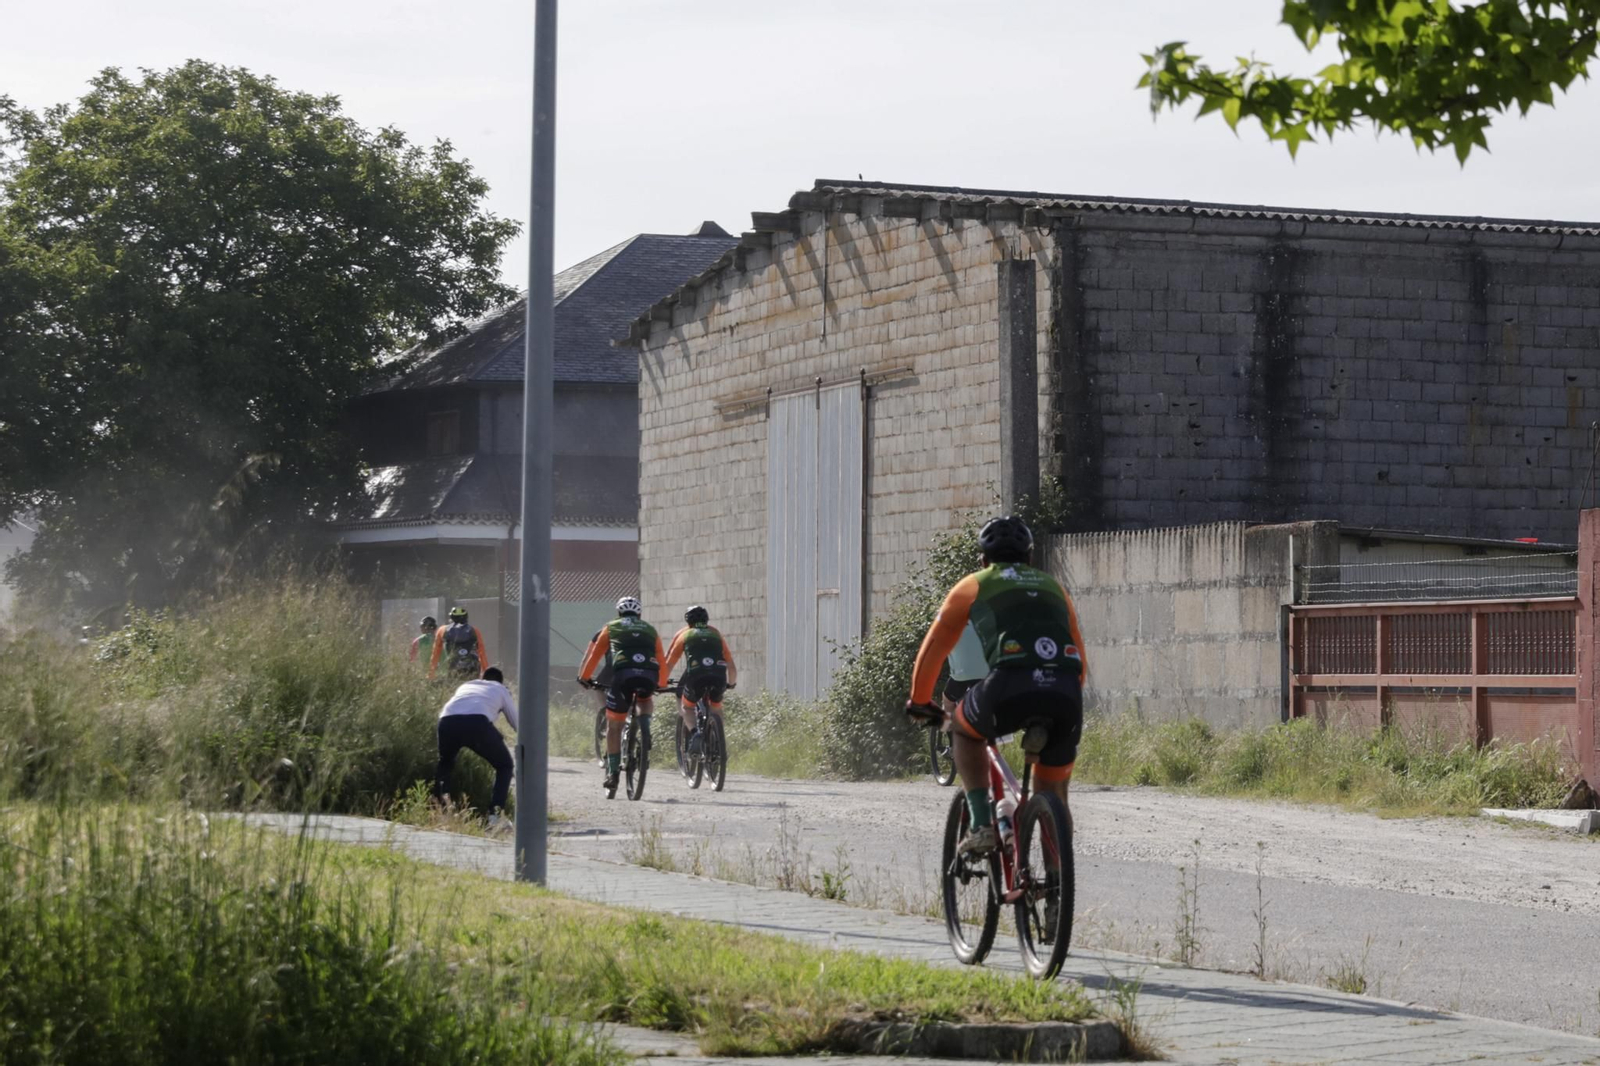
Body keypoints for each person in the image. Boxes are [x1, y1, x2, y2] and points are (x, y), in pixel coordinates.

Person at [905, 515, 1089, 860]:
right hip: (1064, 692)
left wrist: (919, 701)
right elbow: (1079, 656)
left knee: (963, 727)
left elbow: (934, 650)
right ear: (1031, 558)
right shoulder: (1054, 588)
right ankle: (1055, 890)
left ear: (983, 560)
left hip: (1011, 684)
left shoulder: (973, 585)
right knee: (1054, 794)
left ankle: (981, 825)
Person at [577, 596, 664, 793]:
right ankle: (645, 725)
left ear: (618, 613)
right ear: (639, 614)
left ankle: (613, 773)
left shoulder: (609, 627)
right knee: (646, 698)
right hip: (648, 674)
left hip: (620, 674)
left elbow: (593, 654)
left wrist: (584, 677)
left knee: (614, 725)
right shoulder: (650, 629)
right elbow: (661, 658)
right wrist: (662, 683)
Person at [433, 666, 517, 831]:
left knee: (445, 764)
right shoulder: (500, 689)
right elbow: (516, 722)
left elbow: (465, 708)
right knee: (505, 765)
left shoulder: (466, 686)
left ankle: (441, 813)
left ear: (481, 677)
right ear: (501, 681)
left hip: (446, 721)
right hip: (476, 723)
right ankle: (495, 817)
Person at [660, 605, 738, 755]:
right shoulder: (716, 634)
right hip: (719, 677)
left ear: (688, 622)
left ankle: (696, 732)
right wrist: (731, 683)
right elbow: (732, 667)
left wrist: (661, 683)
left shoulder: (684, 635)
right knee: (716, 707)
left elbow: (669, 663)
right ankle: (720, 744)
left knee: (687, 707)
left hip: (696, 676)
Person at [428, 606, 490, 681]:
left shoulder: (442, 630)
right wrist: (487, 674)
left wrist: (431, 673)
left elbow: (435, 653)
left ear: (451, 617)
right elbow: (482, 653)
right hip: (472, 669)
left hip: (452, 667)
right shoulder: (474, 630)